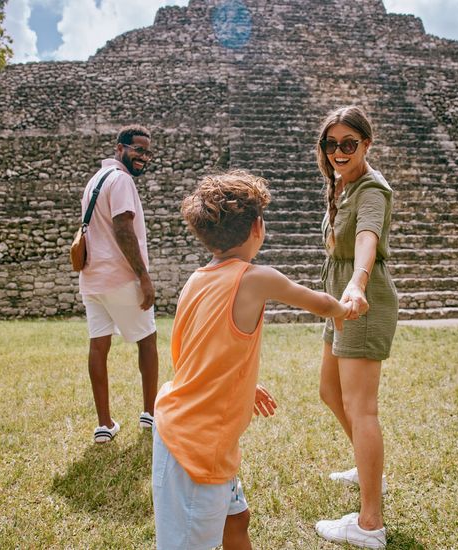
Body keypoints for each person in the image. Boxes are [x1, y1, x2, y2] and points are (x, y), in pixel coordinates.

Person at [152, 170, 350, 550]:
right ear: (258, 226)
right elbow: (320, 303)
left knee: (236, 520)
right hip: (194, 447)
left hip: (194, 428)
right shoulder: (255, 278)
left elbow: (193, 352)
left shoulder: (196, 279)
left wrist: (242, 381)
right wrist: (346, 308)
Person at [314, 106, 398, 549]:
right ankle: (370, 472)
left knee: (362, 408)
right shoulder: (341, 185)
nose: (340, 152)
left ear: (367, 144)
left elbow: (368, 237)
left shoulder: (370, 189)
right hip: (339, 303)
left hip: (360, 302)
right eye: (332, 144)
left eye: (349, 144)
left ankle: (369, 524)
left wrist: (358, 282)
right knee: (330, 391)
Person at [78, 124, 159, 443]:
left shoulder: (95, 180)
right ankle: (151, 414)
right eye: (138, 149)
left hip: (92, 277)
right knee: (148, 340)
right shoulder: (122, 180)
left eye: (148, 152)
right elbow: (123, 227)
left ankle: (104, 424)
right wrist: (143, 276)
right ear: (119, 147)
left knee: (99, 346)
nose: (144, 156)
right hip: (120, 276)